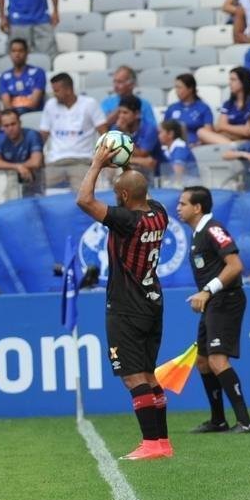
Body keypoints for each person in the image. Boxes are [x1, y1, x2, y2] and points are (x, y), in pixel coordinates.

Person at [76, 146, 172, 460]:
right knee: (148, 374)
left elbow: (84, 200)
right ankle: (162, 442)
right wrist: (123, 164)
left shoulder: (126, 220)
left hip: (126, 306)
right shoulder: (159, 213)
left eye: (118, 193)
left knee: (133, 376)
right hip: (152, 302)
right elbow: (137, 189)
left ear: (124, 196)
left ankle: (150, 443)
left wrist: (97, 164)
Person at [176, 185, 250, 435]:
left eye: (183, 204)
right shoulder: (198, 233)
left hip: (226, 299)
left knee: (217, 359)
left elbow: (235, 265)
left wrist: (207, 291)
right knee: (202, 361)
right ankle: (218, 420)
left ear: (197, 208)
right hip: (213, 301)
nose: (178, 208)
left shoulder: (214, 230)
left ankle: (245, 422)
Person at [40, 72, 106, 189]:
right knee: (37, 188)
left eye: (57, 91)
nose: (54, 94)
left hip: (82, 161)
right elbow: (42, 137)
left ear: (68, 90)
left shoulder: (89, 104)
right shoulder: (50, 105)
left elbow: (104, 134)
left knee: (84, 193)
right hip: (55, 162)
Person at [199, 66, 250, 146]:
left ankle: (232, 147)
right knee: (201, 132)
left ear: (244, 81)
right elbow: (219, 127)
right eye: (230, 80)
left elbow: (249, 131)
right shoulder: (228, 104)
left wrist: (225, 127)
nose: (230, 83)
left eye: (233, 80)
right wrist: (237, 130)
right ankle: (232, 146)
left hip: (248, 141)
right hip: (229, 139)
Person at [0, 109, 44, 196]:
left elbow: (36, 162)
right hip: (10, 180)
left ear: (20, 123)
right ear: (2, 127)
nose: (10, 128)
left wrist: (19, 167)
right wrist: (17, 167)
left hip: (34, 178)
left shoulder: (32, 135)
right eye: (6, 126)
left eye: (13, 124)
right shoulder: (0, 138)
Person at [0, 37, 46, 115]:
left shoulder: (38, 73)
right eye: (13, 51)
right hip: (13, 118)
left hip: (32, 115)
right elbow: (7, 105)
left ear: (27, 53)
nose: (17, 54)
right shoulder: (3, 77)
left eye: (20, 51)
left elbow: (34, 103)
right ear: (10, 54)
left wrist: (17, 103)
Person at [114, 95, 159, 177]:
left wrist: (124, 134)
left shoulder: (149, 129)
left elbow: (142, 154)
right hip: (134, 170)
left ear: (137, 114)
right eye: (119, 112)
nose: (121, 116)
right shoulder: (117, 128)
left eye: (125, 113)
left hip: (154, 175)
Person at [102, 67, 157, 133]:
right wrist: (120, 109)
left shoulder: (144, 104)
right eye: (114, 82)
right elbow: (102, 126)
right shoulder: (106, 103)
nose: (115, 86)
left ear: (132, 84)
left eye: (120, 82)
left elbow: (152, 129)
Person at [164, 74, 214, 142]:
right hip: (175, 146)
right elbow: (164, 131)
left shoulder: (203, 108)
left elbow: (208, 132)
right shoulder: (172, 108)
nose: (176, 91)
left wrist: (197, 144)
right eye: (176, 87)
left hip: (198, 146)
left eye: (179, 87)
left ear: (190, 89)